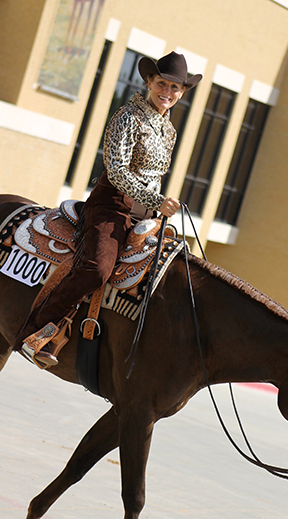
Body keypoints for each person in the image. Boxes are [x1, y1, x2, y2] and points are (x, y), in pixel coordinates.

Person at [14, 51, 202, 367]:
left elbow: (151, 175)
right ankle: (35, 332)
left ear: (182, 92)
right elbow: (116, 169)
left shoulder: (168, 130)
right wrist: (157, 200)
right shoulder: (127, 117)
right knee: (97, 269)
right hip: (111, 205)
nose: (167, 93)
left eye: (175, 88)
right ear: (149, 81)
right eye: (162, 84)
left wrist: (156, 207)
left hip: (147, 216)